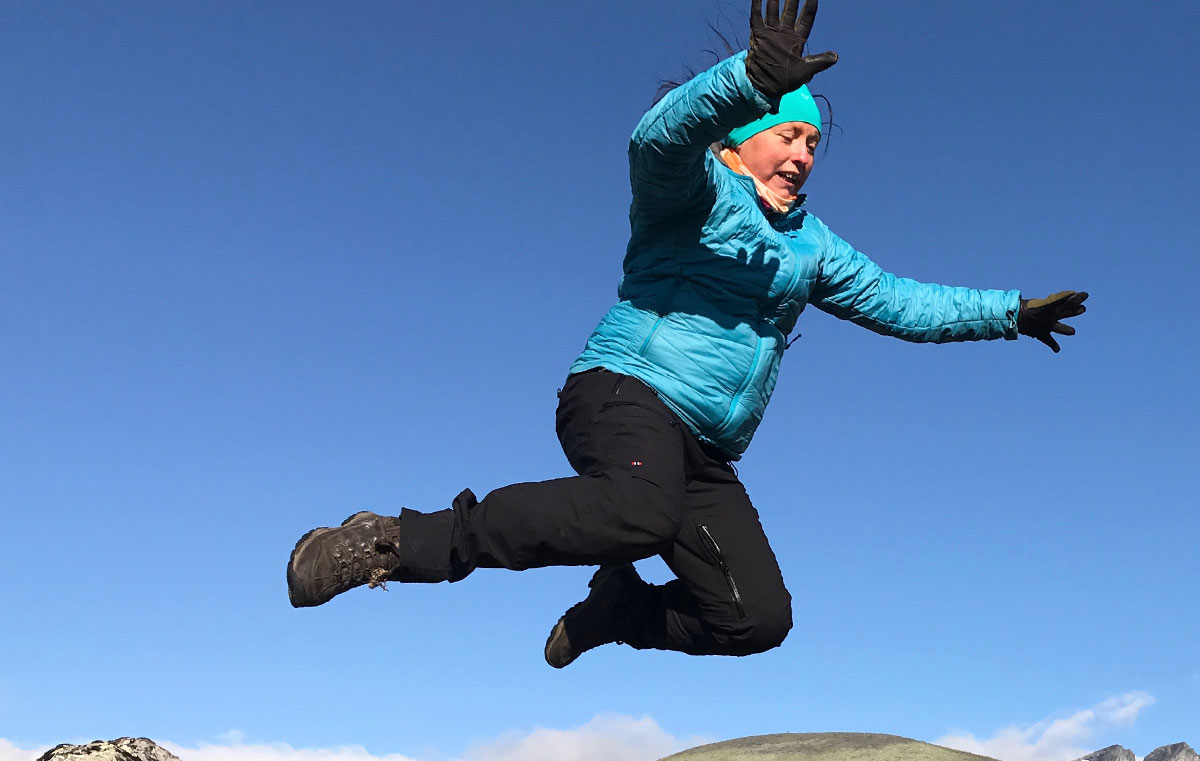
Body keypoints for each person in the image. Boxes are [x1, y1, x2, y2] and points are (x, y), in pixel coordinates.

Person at [285, 0, 1087, 670]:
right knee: (636, 510)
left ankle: (620, 612)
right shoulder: (691, 193)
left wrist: (1009, 315)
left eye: (814, 144)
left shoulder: (814, 246)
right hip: (625, 393)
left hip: (703, 453)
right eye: (787, 134)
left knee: (755, 619)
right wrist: (746, 80)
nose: (803, 154)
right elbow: (654, 140)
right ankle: (391, 544)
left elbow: (900, 303)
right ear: (740, 137)